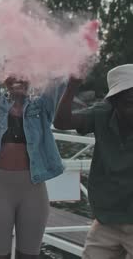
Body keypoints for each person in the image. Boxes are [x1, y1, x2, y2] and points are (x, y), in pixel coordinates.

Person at [0, 73, 67, 259]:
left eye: (24, 74)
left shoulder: (42, 107)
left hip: (33, 192)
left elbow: (59, 78)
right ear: (5, 80)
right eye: (13, 75)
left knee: (29, 256)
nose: (18, 79)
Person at [54, 64, 133, 259]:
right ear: (114, 103)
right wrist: (72, 86)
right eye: (130, 102)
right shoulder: (101, 114)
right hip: (106, 221)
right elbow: (62, 122)